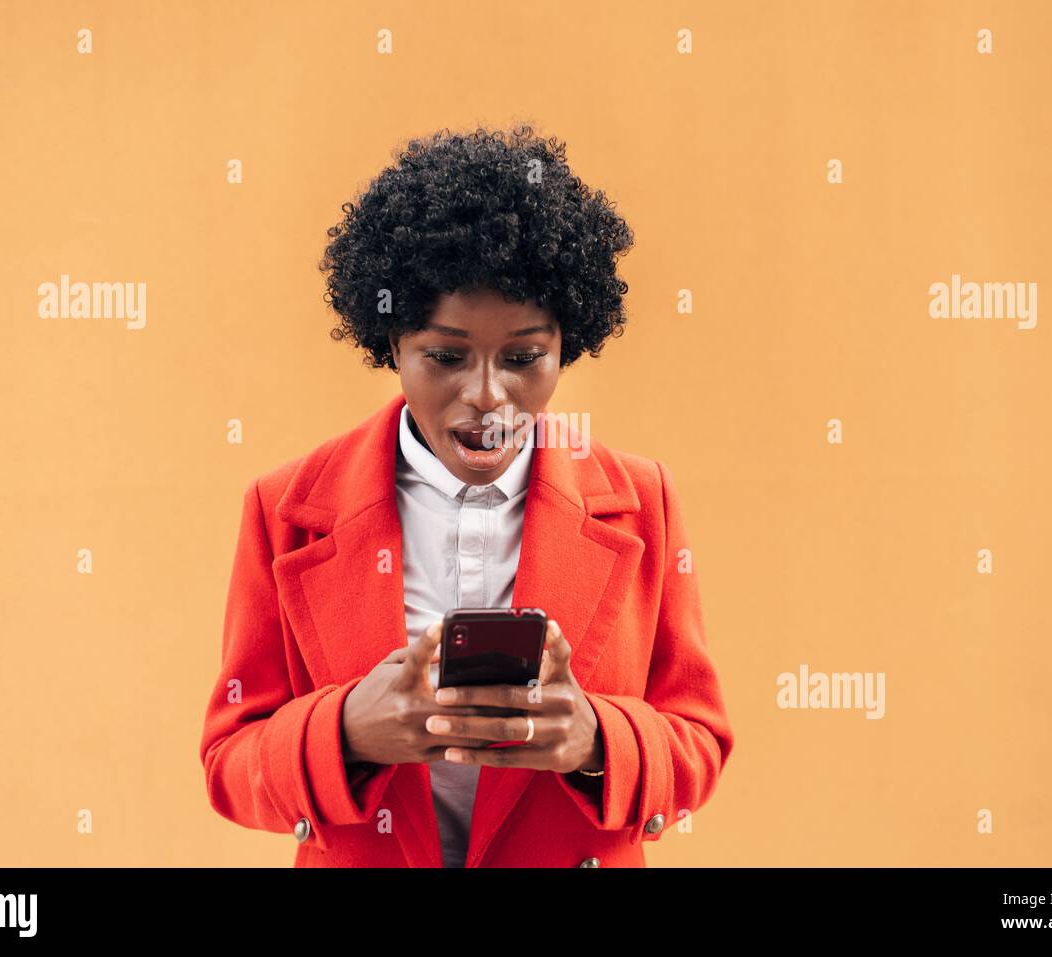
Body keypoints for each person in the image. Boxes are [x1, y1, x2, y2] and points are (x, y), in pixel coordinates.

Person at [199, 125, 734, 867]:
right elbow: (230, 760)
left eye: (523, 357)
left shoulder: (644, 498)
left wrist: (593, 740)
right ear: (391, 343)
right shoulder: (283, 507)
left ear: (566, 345)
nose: (487, 396)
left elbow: (699, 740)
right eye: (446, 356)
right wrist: (347, 729)